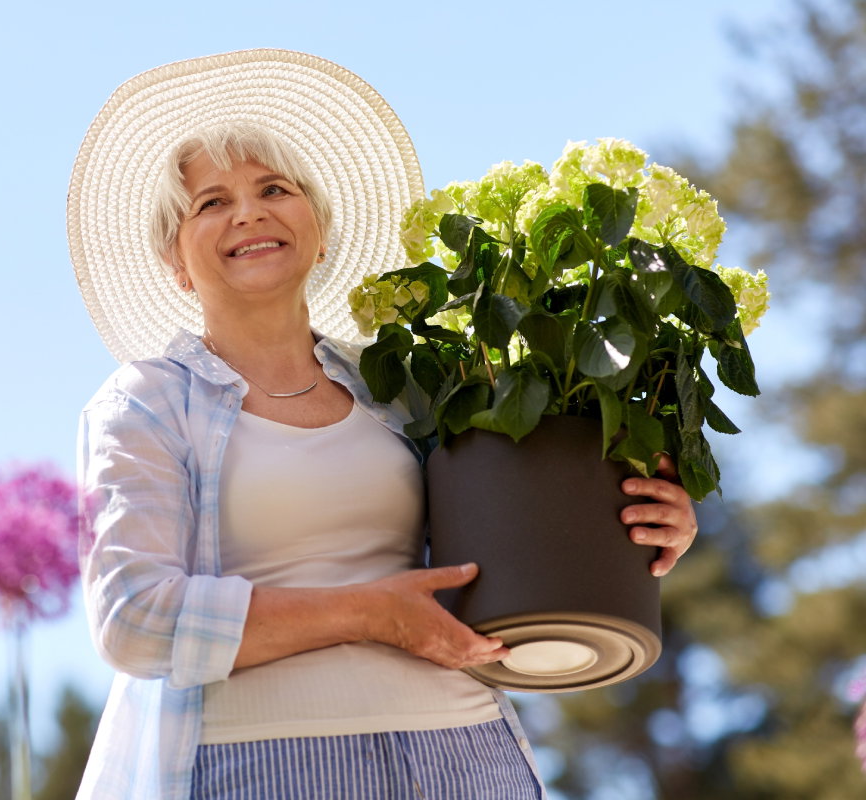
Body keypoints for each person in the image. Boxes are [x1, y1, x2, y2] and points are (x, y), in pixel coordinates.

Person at [67, 51, 698, 800]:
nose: (249, 212)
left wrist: (640, 527)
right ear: (176, 262)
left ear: (321, 231)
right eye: (210, 202)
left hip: (467, 756)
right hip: (258, 764)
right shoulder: (145, 402)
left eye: (275, 188)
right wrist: (369, 614)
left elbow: (513, 551)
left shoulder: (404, 387)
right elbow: (134, 619)